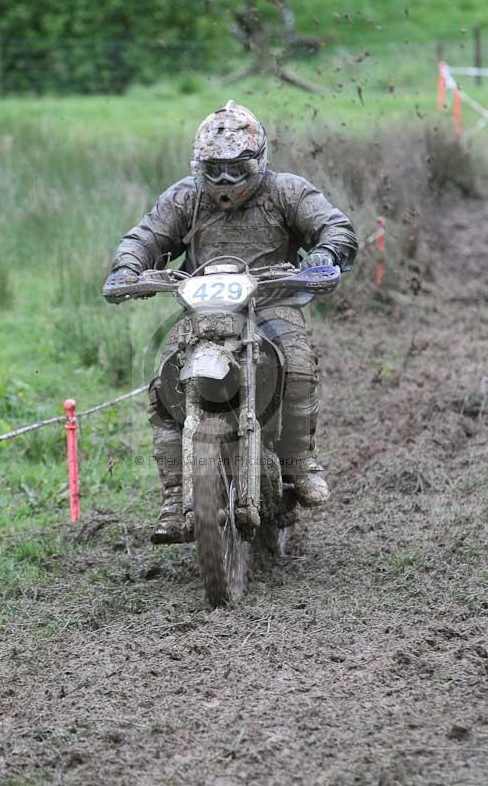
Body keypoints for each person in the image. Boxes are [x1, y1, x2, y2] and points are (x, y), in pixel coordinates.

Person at [103, 100, 358, 544]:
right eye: (214, 170)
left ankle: (299, 460)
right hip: (202, 309)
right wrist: (128, 266)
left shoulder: (288, 192)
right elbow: (146, 236)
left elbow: (335, 226)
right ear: (199, 166)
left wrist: (324, 253)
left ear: (257, 162)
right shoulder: (185, 196)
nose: (224, 181)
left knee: (297, 363)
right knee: (165, 384)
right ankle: (174, 492)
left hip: (272, 302)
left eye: (235, 170)